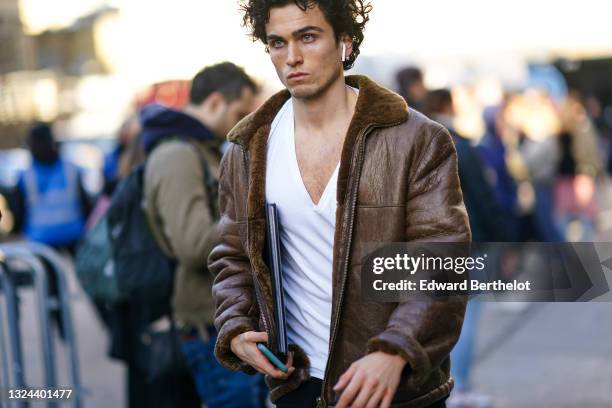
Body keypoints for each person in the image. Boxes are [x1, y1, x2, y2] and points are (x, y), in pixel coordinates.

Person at [209, 2, 471, 407]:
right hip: (298, 384)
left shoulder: (415, 139)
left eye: (307, 37)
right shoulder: (247, 149)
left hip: (393, 386)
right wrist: (237, 327)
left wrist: (395, 350)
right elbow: (232, 255)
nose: (292, 57)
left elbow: (441, 257)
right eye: (277, 43)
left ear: (344, 42)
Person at [139, 62, 265, 408]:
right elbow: (193, 245)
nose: (244, 122)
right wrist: (259, 217)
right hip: (207, 326)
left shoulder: (200, 148)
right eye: (240, 111)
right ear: (214, 102)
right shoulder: (177, 155)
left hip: (225, 319)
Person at [9, 123, 91, 251]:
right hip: (73, 238)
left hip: (40, 241)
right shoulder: (72, 169)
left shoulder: (25, 176)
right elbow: (85, 205)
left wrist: (16, 232)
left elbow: (18, 211)